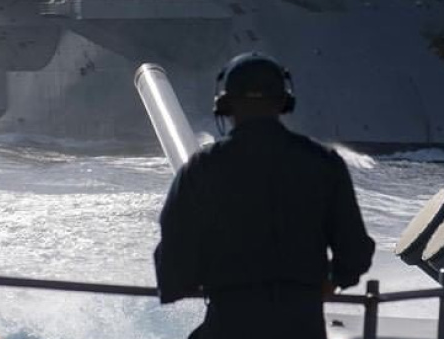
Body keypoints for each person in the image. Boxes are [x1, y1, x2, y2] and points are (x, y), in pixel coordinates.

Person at [154, 52, 375, 339]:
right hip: (301, 324)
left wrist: (199, 282)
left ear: (225, 104)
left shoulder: (202, 168)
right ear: (285, 101)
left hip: (230, 321)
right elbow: (355, 250)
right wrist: (331, 280)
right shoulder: (323, 163)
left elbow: (174, 258)